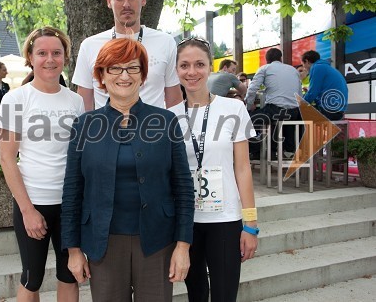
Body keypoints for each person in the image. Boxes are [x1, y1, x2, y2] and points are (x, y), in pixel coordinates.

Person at [61, 38, 194, 302]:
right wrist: (73, 250)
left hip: (157, 241)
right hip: (103, 243)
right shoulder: (85, 125)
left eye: (132, 68)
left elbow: (183, 187)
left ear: (143, 75)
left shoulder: (165, 121)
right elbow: (72, 191)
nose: (124, 75)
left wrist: (183, 245)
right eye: (114, 68)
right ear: (101, 75)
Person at [0, 27, 84, 302]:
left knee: (69, 274)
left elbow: (80, 157)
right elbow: (7, 158)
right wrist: (27, 210)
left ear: (65, 58)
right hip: (32, 201)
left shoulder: (76, 100)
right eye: (42, 53)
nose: (50, 59)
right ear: (30, 58)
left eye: (56, 53)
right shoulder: (15, 99)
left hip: (69, 203)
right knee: (31, 277)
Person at [169, 37, 258, 302]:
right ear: (177, 70)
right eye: (184, 65)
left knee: (224, 294)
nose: (192, 71)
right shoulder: (169, 116)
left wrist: (250, 223)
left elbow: (243, 168)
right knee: (196, 295)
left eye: (199, 64)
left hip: (225, 219)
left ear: (210, 67)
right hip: (186, 222)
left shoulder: (234, 108)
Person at [72, 0, 182, 111]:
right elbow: (83, 106)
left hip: (153, 131)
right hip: (106, 131)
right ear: (108, 1)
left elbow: (174, 101)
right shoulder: (89, 46)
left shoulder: (165, 42)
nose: (126, 4)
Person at [245, 48, 302, 160]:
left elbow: (252, 90)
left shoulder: (265, 68)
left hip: (275, 110)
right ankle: (286, 149)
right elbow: (299, 94)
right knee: (279, 120)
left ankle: (256, 151)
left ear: (267, 60)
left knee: (249, 119)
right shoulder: (293, 70)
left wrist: (249, 106)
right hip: (294, 112)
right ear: (281, 58)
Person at [301, 50, 348, 121]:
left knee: (297, 113)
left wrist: (300, 103)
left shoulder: (316, 67)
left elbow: (313, 92)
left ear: (307, 61)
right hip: (338, 109)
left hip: (328, 109)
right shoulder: (328, 67)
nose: (304, 68)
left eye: (303, 65)